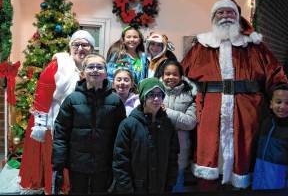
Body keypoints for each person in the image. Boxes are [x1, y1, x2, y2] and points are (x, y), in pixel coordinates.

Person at [181, 0, 288, 190]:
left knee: (243, 153)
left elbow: (275, 73)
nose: (225, 16)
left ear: (238, 16)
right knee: (211, 154)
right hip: (210, 112)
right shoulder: (201, 46)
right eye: (220, 12)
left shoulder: (254, 47)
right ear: (213, 17)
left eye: (229, 12)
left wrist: (284, 94)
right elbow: (183, 76)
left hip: (247, 112)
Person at [19, 30, 95, 194]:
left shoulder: (92, 66)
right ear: (70, 47)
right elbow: (42, 92)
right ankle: (57, 186)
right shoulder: (59, 64)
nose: (80, 48)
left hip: (80, 120)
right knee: (55, 156)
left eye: (85, 45)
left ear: (92, 48)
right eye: (76, 44)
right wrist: (40, 123)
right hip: (55, 118)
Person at [52, 53, 126, 194]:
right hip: (77, 164)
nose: (95, 70)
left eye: (99, 67)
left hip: (104, 163)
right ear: (83, 72)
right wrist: (58, 164)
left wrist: (119, 162)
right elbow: (61, 133)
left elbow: (121, 136)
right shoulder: (72, 100)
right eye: (90, 67)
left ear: (106, 72)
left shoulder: (115, 101)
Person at [112, 77, 179, 194]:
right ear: (143, 97)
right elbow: (120, 161)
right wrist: (127, 189)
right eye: (151, 95)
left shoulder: (167, 124)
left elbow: (172, 158)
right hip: (135, 188)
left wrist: (170, 184)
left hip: (160, 187)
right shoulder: (129, 124)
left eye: (160, 95)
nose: (156, 99)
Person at [159, 60, 197, 192]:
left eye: (175, 74)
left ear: (181, 76)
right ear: (162, 75)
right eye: (167, 74)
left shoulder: (189, 95)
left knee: (177, 183)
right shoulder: (155, 92)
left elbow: (190, 122)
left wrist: (166, 112)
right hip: (158, 147)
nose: (170, 77)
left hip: (180, 149)